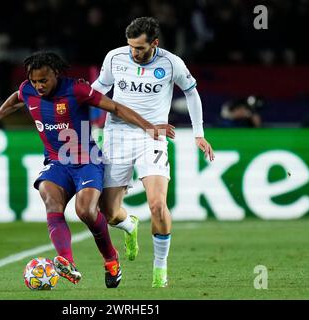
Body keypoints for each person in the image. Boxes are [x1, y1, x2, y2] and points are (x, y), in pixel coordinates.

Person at [0, 51, 174, 288]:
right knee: (49, 198)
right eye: (34, 81)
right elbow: (16, 97)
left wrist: (149, 127)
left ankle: (111, 259)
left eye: (43, 80)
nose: (38, 86)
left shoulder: (77, 90)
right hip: (56, 163)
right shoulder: (28, 89)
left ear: (56, 74)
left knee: (87, 212)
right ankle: (67, 262)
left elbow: (116, 108)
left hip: (87, 161)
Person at [91, 17, 215, 288]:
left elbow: (192, 93)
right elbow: (97, 89)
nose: (134, 53)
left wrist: (198, 134)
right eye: (131, 47)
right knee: (108, 213)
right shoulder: (115, 58)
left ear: (154, 44)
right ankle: (129, 224)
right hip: (117, 136)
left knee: (157, 204)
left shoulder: (172, 63)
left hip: (154, 137)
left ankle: (160, 270)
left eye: (140, 48)